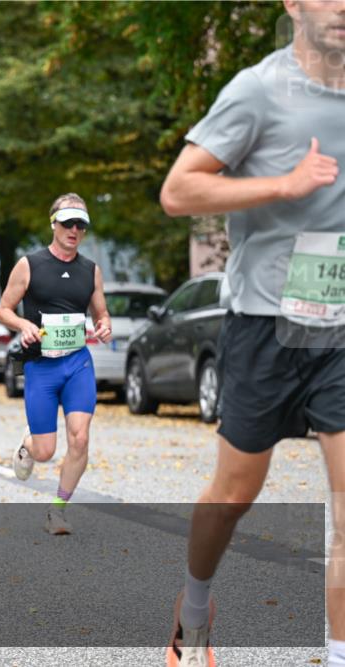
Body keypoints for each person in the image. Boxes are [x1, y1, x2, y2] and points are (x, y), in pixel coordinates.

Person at [159, 2, 344, 665]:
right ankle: (197, 602)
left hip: (341, 332)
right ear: (294, 3)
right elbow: (179, 192)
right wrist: (283, 185)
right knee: (236, 492)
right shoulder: (258, 90)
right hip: (265, 322)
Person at [0, 193, 111, 535]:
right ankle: (29, 444)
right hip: (41, 367)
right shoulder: (30, 265)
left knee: (80, 438)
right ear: (53, 224)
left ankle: (58, 510)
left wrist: (104, 324)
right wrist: (23, 325)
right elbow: (2, 309)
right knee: (45, 452)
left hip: (77, 364)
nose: (74, 230)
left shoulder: (91, 270)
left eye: (81, 224)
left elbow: (101, 313)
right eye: (68, 222)